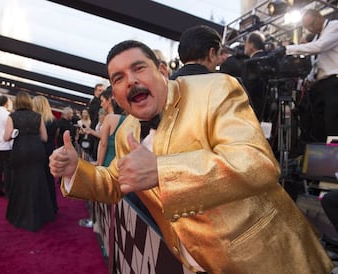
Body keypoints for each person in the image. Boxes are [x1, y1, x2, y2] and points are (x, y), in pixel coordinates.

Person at [49, 40, 333, 273]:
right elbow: (114, 180)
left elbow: (256, 162)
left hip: (266, 260)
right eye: (119, 78)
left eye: (139, 69)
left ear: (162, 70)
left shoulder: (216, 89)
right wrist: (76, 170)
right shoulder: (128, 131)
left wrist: (163, 171)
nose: (131, 81)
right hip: (196, 262)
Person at [4, 91, 55, 231]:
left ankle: (19, 215)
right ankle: (41, 214)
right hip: (36, 150)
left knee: (20, 182)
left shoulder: (12, 117)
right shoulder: (37, 116)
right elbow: (44, 138)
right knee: (37, 181)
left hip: (20, 149)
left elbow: (6, 137)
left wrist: (17, 134)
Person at [284, 9, 338, 142]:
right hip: (321, 85)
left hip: (334, 82)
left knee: (333, 124)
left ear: (319, 16)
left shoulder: (334, 26)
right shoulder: (316, 37)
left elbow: (320, 47)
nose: (311, 29)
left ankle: (335, 157)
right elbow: (317, 64)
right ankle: (324, 159)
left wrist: (288, 49)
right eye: (307, 27)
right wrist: (308, 79)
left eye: (312, 24)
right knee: (319, 126)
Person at [32, 95, 59, 213]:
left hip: (38, 150)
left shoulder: (36, 120)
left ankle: (41, 208)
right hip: (50, 150)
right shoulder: (53, 120)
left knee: (38, 180)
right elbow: (55, 136)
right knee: (49, 180)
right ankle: (52, 207)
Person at [241, 31, 270, 122]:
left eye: (245, 43)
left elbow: (247, 89)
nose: (244, 46)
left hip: (254, 112)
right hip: (271, 111)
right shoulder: (270, 59)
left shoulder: (250, 63)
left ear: (251, 45)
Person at [88, 83, 106, 160]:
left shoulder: (95, 101)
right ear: (95, 92)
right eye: (99, 90)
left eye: (103, 91)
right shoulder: (95, 103)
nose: (101, 92)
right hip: (96, 132)